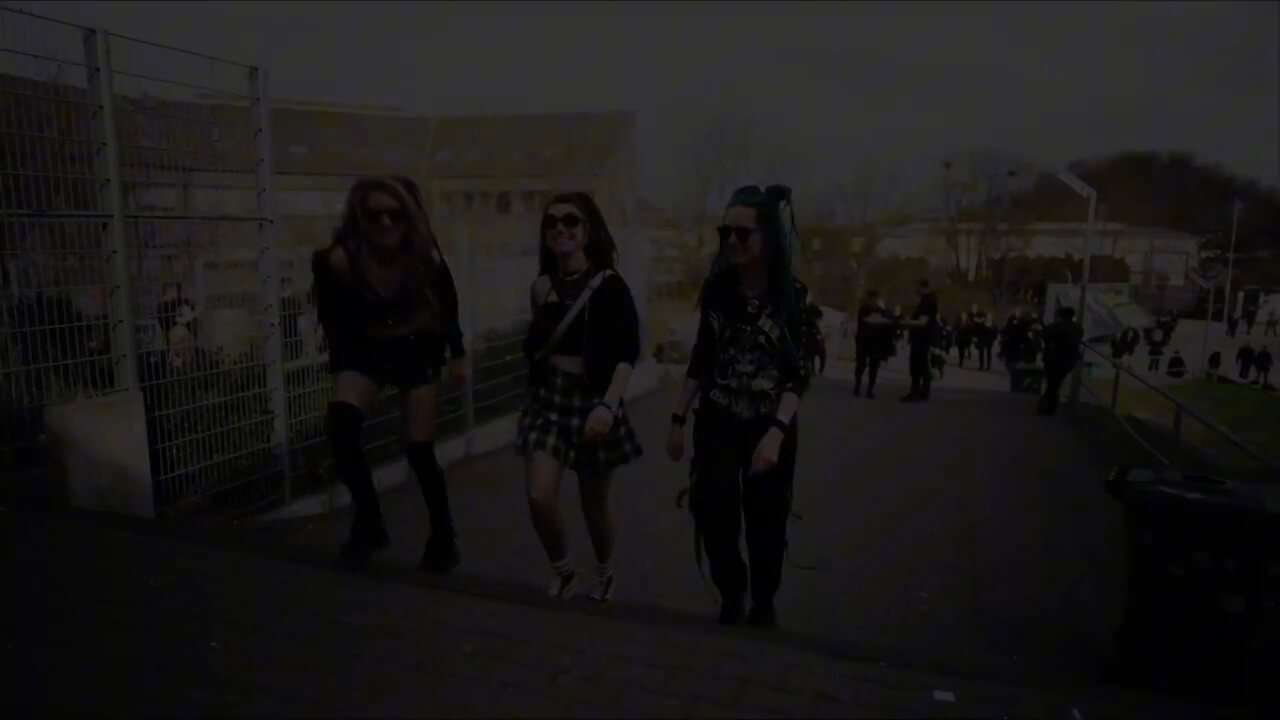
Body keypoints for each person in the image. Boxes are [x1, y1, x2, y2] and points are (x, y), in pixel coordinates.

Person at [667, 184, 817, 628]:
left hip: (770, 421)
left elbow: (798, 374)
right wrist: (678, 418)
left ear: (767, 238)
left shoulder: (791, 297)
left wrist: (776, 433)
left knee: (766, 517)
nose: (731, 241)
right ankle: (732, 590)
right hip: (718, 416)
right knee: (713, 508)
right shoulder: (718, 291)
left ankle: (764, 599)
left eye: (742, 233)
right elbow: (702, 358)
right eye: (725, 232)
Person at [311, 175, 467, 572]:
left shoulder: (424, 256)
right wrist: (346, 370)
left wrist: (458, 355)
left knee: (418, 448)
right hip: (367, 347)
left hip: (416, 347)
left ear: (408, 217)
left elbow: (448, 307)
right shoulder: (340, 260)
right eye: (374, 215)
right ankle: (369, 522)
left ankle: (443, 536)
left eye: (395, 215)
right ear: (359, 217)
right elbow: (333, 322)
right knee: (341, 426)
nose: (385, 223)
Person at [517, 192, 643, 602]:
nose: (560, 228)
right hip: (550, 399)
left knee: (594, 505)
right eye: (551, 223)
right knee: (539, 495)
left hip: (593, 401)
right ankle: (564, 569)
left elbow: (627, 353)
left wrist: (609, 405)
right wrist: (545, 302)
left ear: (588, 231)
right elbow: (539, 346)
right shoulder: (541, 286)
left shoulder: (610, 287)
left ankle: (604, 571)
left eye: (571, 221)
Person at [1038, 306, 1082, 416]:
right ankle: (1046, 404)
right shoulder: (1077, 328)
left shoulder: (1058, 327)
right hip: (1068, 361)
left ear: (1062, 315)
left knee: (1052, 383)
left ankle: (1049, 407)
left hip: (1053, 359)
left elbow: (1044, 334)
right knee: (1055, 383)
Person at [900, 278, 939, 402]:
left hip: (922, 337)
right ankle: (924, 391)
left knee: (916, 365)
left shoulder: (927, 301)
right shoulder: (928, 300)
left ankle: (915, 392)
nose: (915, 290)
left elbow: (922, 322)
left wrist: (907, 322)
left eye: (916, 287)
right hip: (924, 337)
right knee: (922, 365)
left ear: (922, 287)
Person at [853, 289, 891, 398]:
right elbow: (864, 322)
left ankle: (870, 389)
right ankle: (857, 385)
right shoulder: (863, 310)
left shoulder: (881, 311)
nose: (873, 301)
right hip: (863, 340)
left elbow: (885, 323)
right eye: (871, 299)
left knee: (874, 366)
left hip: (876, 342)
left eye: (875, 299)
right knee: (861, 364)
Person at [972, 305, 994, 371]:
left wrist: (993, 337)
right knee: (982, 352)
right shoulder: (980, 323)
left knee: (987, 352)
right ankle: (982, 365)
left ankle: (987, 366)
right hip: (982, 338)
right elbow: (976, 330)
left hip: (988, 339)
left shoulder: (991, 322)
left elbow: (994, 330)